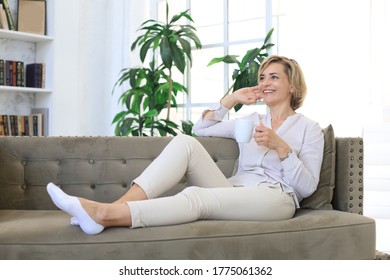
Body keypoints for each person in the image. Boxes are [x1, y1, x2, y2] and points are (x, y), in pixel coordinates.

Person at [46, 55, 324, 235]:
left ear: (293, 87)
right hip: (235, 190)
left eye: (274, 77)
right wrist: (232, 99)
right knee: (185, 142)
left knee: (197, 197)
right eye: (262, 77)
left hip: (275, 197)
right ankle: (109, 209)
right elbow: (202, 128)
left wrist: (281, 148)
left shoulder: (309, 129)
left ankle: (105, 214)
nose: (264, 83)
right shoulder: (250, 119)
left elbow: (307, 186)